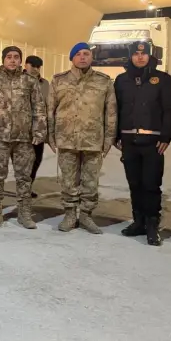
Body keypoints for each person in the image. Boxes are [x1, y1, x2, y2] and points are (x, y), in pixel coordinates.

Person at [48, 42, 117, 234]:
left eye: (86, 53)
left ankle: (86, 215)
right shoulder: (59, 80)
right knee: (68, 181)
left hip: (93, 140)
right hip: (66, 139)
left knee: (91, 182)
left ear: (91, 57)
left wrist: (108, 139)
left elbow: (111, 112)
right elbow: (50, 110)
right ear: (72, 58)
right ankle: (70, 215)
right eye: (78, 54)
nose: (82, 57)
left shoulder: (104, 81)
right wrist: (51, 137)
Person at [113, 41, 171, 246]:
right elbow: (115, 109)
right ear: (131, 57)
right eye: (136, 54)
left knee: (151, 184)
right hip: (129, 140)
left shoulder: (163, 79)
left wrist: (166, 136)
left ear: (150, 56)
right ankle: (138, 222)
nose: (140, 57)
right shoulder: (121, 80)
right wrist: (116, 136)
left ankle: (152, 225)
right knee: (134, 184)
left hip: (153, 142)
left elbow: (169, 110)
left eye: (144, 54)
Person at [0, 46, 46, 228]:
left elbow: (39, 108)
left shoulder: (29, 81)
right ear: (3, 59)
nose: (12, 60)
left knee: (24, 177)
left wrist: (39, 131)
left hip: (23, 139)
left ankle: (24, 213)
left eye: (16, 57)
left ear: (20, 60)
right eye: (8, 57)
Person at [24, 55, 50, 197]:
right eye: (32, 65)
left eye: (38, 66)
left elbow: (48, 105)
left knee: (36, 160)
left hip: (38, 130)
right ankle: (22, 188)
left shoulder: (45, 84)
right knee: (22, 162)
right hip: (21, 130)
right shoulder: (18, 81)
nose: (35, 69)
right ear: (25, 65)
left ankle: (28, 187)